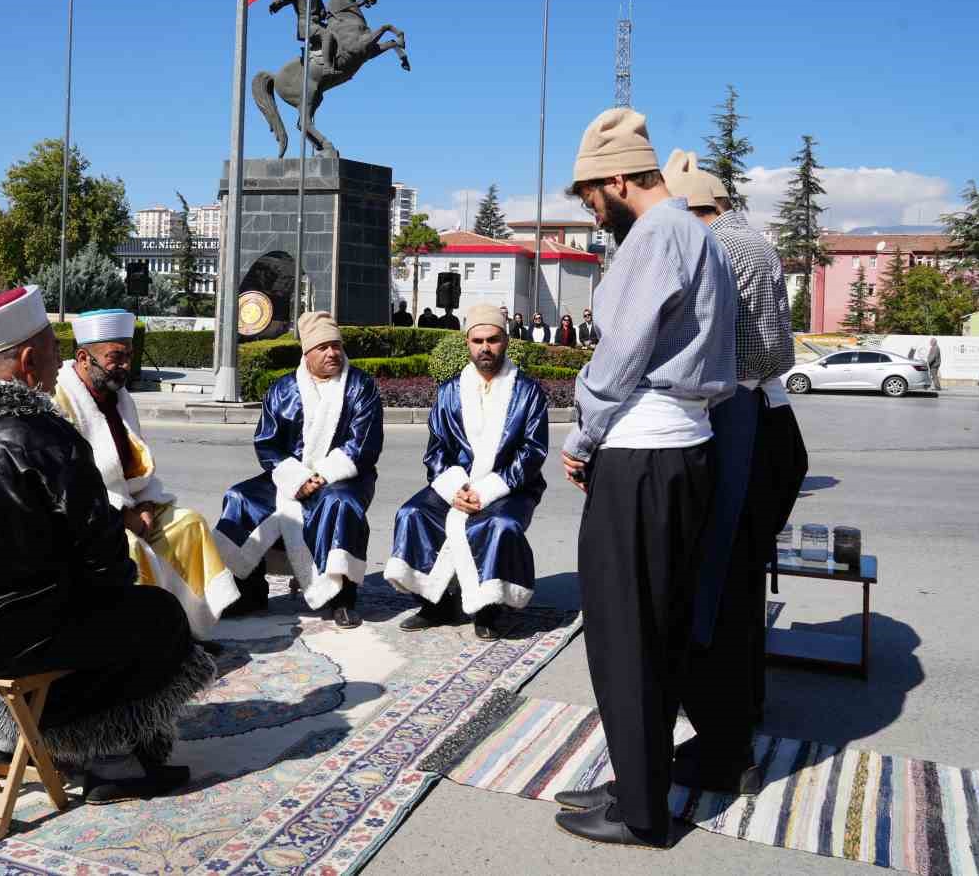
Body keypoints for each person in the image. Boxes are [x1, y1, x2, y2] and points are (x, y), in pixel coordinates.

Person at [0, 285, 214, 805]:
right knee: (157, 616)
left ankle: (9, 739)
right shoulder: (47, 436)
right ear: (27, 361)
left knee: (75, 613)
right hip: (12, 638)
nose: (58, 362)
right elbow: (107, 562)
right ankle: (110, 760)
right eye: (52, 350)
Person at [551, 108, 737, 850]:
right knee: (657, 628)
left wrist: (582, 436)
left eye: (591, 193)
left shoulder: (654, 237)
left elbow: (618, 359)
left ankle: (642, 811)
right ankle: (640, 779)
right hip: (685, 447)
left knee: (624, 633)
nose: (590, 207)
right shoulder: (698, 234)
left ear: (620, 178)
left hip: (640, 451)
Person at [666, 167, 806, 787]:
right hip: (765, 415)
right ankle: (742, 713)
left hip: (731, 414)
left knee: (709, 577)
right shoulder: (752, 238)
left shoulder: (713, 244)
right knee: (741, 581)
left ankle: (724, 747)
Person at [53, 308, 240, 639]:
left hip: (135, 507)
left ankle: (190, 630)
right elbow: (72, 487)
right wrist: (121, 517)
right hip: (92, 525)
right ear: (84, 358)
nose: (125, 364)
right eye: (116, 356)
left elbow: (137, 468)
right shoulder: (60, 402)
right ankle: (147, 644)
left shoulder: (121, 398)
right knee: (131, 550)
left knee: (191, 524)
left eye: (128, 355)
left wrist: (147, 505)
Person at [385, 304, 549, 641]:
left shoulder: (528, 392)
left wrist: (487, 490)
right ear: (467, 343)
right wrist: (456, 488)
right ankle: (435, 603)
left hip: (511, 486)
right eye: (478, 340)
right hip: (456, 484)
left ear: (506, 341)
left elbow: (533, 452)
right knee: (413, 513)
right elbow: (436, 452)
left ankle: (488, 607)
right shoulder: (449, 393)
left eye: (493, 339)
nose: (485, 347)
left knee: (497, 523)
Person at [215, 310, 384, 629]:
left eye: (336, 345)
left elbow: (363, 445)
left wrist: (320, 477)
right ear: (306, 352)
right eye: (323, 347)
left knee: (340, 504)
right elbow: (267, 443)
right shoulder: (282, 389)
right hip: (291, 475)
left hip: (344, 477)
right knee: (240, 497)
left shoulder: (360, 386)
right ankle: (250, 591)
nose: (332, 352)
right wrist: (296, 479)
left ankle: (342, 599)